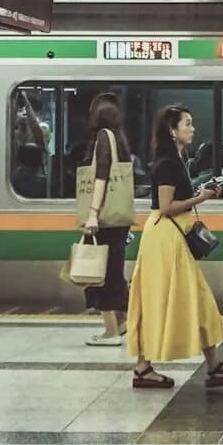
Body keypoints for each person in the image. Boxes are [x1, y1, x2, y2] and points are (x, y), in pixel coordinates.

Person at [125, 105, 223, 390]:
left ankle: (210, 365)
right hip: (166, 239)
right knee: (169, 298)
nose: (192, 129)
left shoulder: (178, 159)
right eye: (187, 124)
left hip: (170, 236)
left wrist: (200, 192)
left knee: (192, 298)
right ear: (172, 130)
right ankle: (149, 368)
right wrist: (201, 197)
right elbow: (166, 207)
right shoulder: (168, 162)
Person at [79, 93, 134, 347]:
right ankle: (122, 322)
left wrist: (92, 213)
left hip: (104, 218)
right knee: (113, 271)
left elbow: (101, 175)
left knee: (101, 274)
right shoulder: (120, 139)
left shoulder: (103, 137)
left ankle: (110, 331)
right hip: (118, 219)